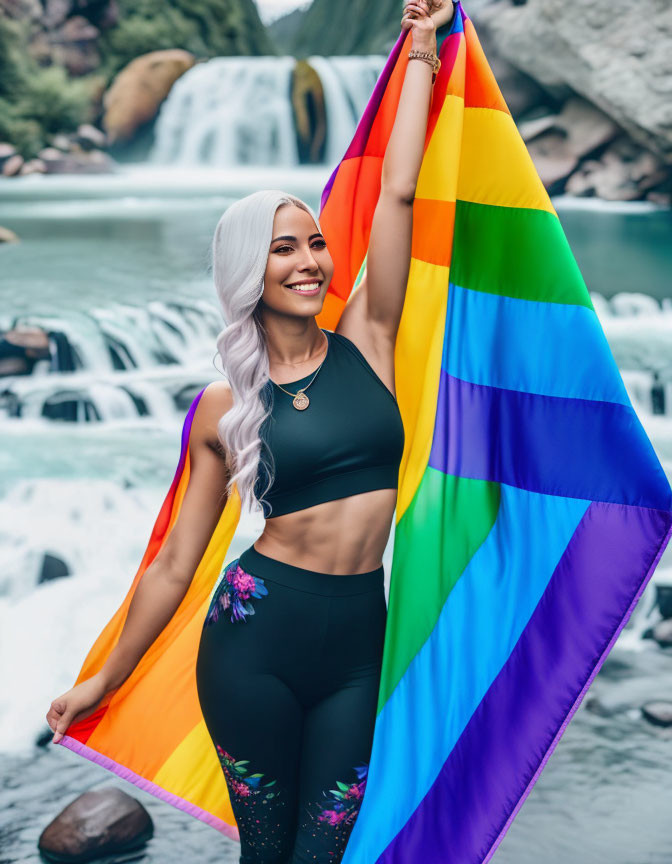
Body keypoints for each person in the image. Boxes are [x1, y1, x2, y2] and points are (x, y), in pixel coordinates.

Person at [46, 2, 457, 861]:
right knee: (268, 853)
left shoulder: (369, 342)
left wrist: (421, 47)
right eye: (284, 249)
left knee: (328, 851)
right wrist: (104, 678)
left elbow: (399, 191)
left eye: (314, 243)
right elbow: (172, 564)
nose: (310, 261)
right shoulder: (223, 408)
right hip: (252, 641)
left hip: (357, 641)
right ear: (247, 269)